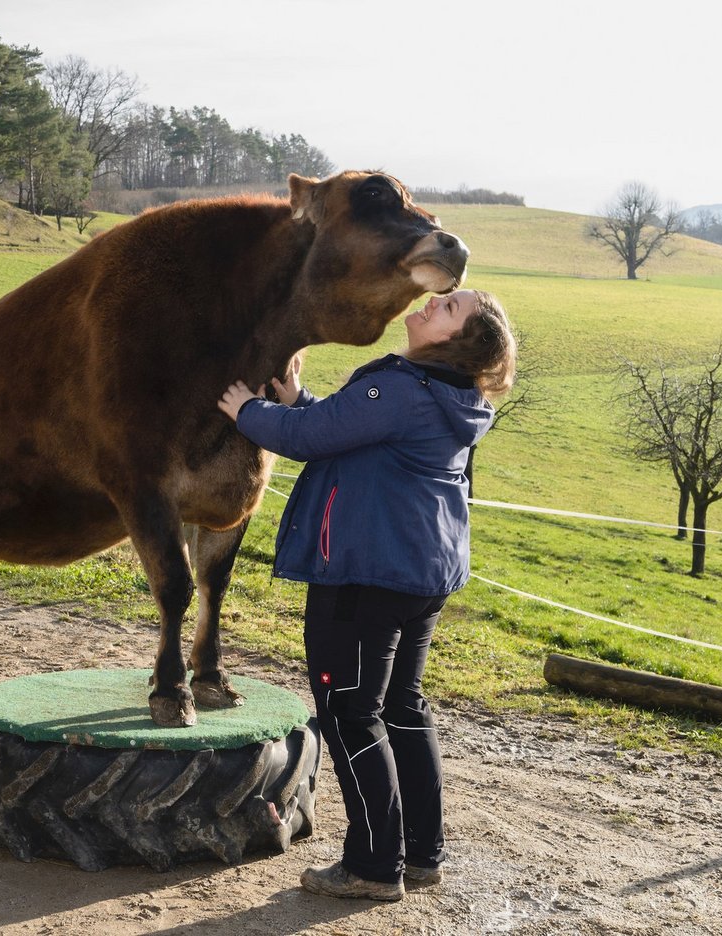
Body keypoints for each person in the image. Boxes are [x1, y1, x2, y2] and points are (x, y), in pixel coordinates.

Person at [217, 289, 516, 901]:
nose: (435, 302)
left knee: (352, 713)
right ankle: (420, 852)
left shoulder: (402, 389)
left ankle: (375, 865)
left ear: (455, 341)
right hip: (421, 573)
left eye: (450, 308)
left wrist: (247, 410)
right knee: (402, 707)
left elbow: (311, 439)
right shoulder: (450, 396)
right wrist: (299, 402)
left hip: (367, 574)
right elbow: (351, 429)